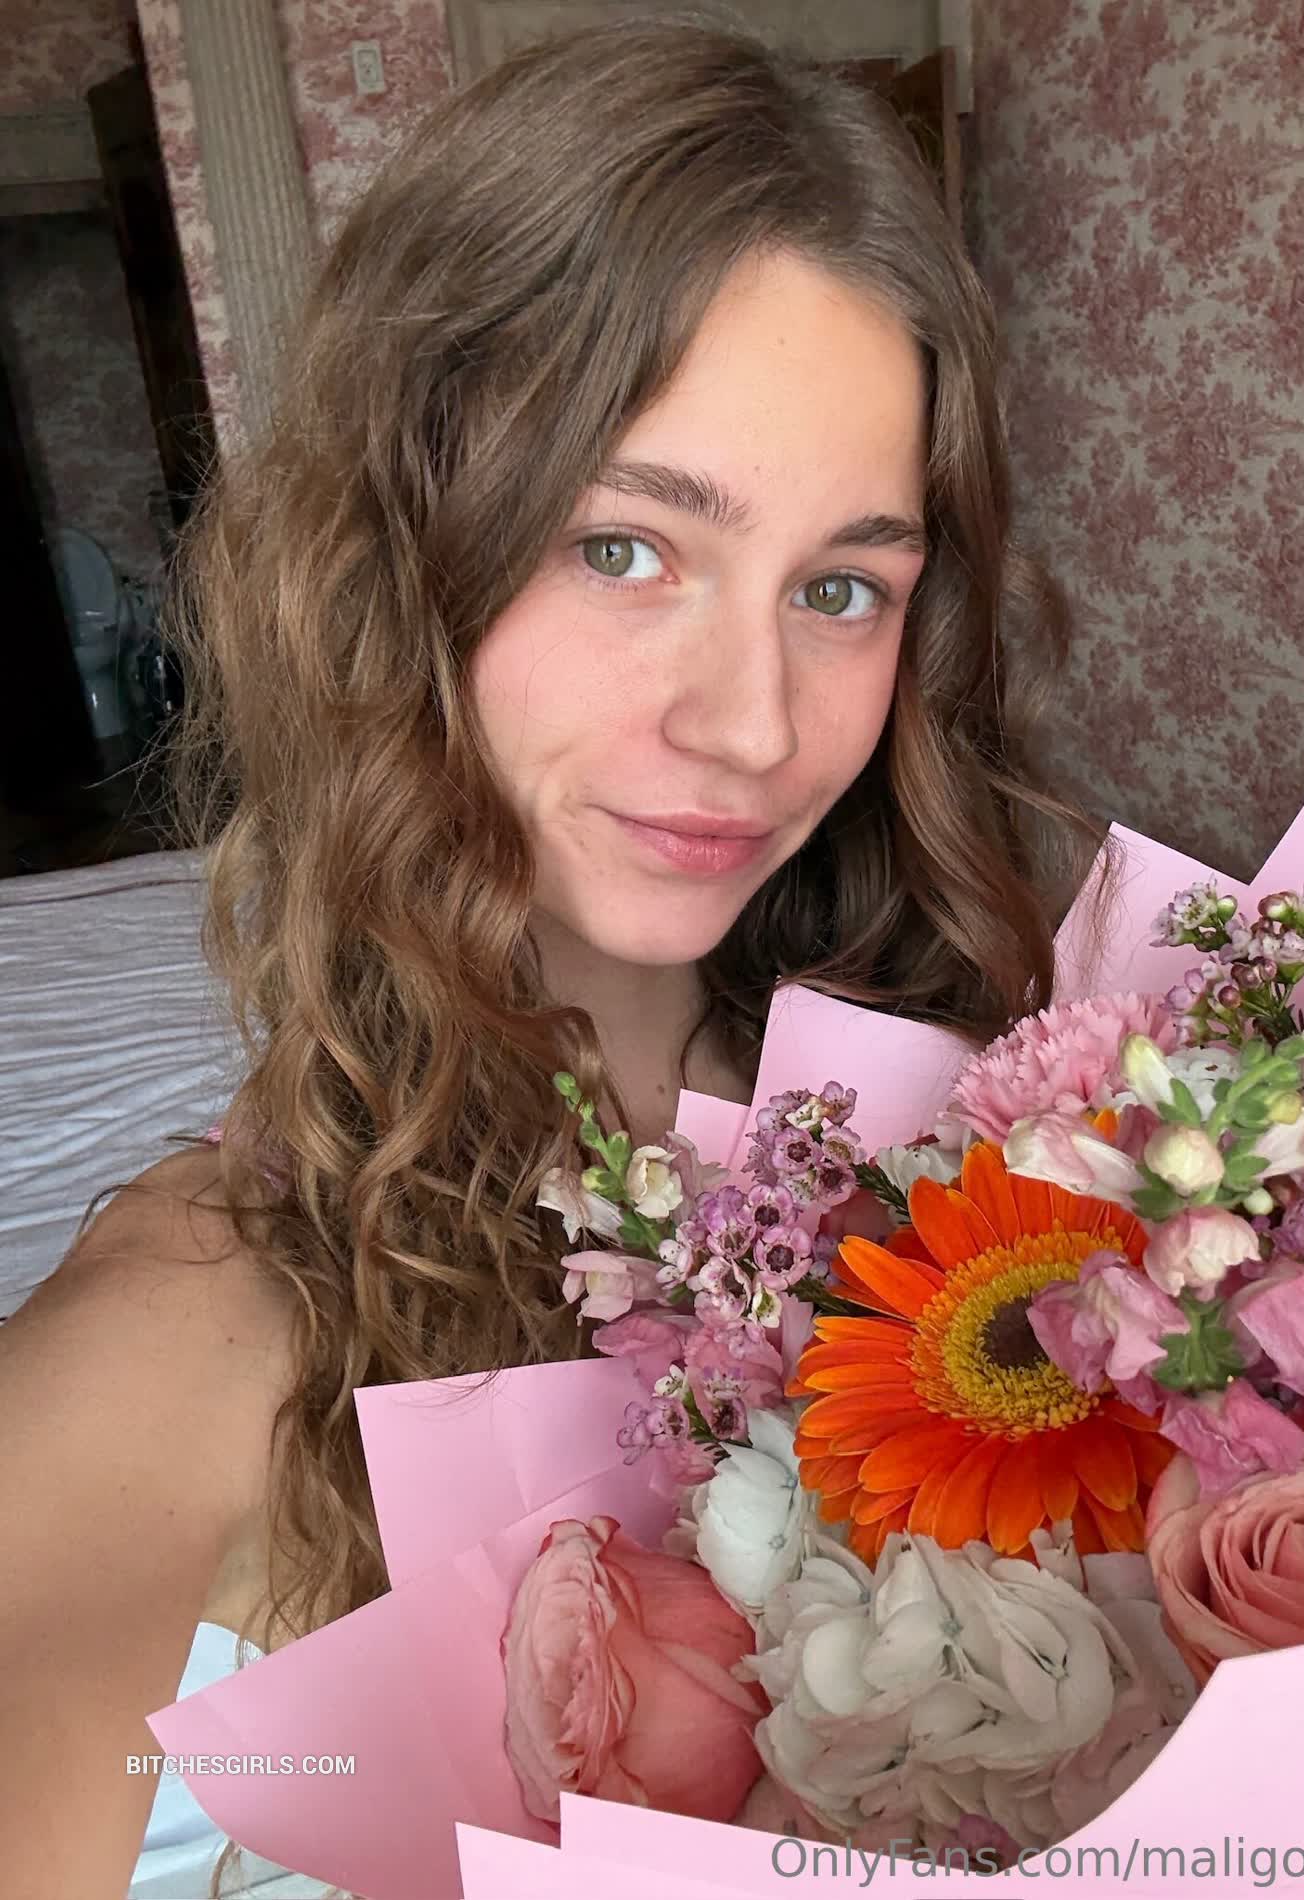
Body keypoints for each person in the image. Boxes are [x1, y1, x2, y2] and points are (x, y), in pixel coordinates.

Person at [0, 14, 1094, 1896]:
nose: (753, 726)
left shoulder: (1021, 1129)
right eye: (624, 549)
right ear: (395, 555)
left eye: (840, 588)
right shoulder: (189, 1331)